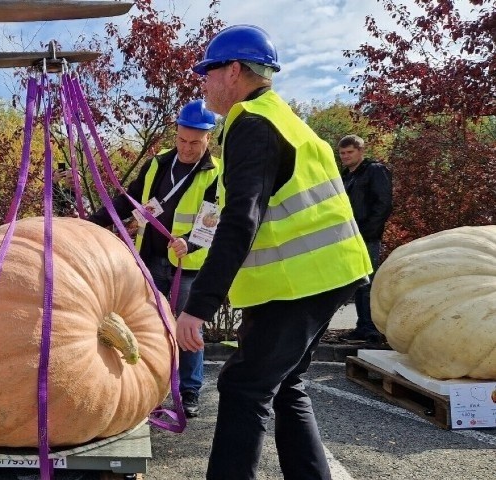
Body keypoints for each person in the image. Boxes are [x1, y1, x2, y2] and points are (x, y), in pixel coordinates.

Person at [177, 25, 373, 479]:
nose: (203, 81)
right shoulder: (283, 118)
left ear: (232, 71)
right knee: (287, 387)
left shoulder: (253, 123)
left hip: (300, 283)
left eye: (207, 72)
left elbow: (240, 220)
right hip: (329, 274)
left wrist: (199, 305)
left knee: (244, 387)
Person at [88, 99, 220, 418]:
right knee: (148, 326)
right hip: (148, 259)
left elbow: (212, 222)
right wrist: (90, 223)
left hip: (186, 268)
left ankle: (188, 392)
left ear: (209, 139)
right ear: (176, 134)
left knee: (187, 330)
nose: (187, 149)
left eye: (195, 142)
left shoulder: (217, 174)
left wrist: (190, 244)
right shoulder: (157, 165)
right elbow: (128, 201)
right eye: (182, 140)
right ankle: (151, 388)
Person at [337, 134, 393, 344]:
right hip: (348, 236)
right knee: (356, 283)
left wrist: (368, 231)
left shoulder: (374, 171)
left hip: (366, 236)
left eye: (350, 152)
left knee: (367, 283)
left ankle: (370, 330)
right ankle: (362, 328)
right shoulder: (346, 176)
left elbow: (383, 204)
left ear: (361, 151)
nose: (345, 156)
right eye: (342, 153)